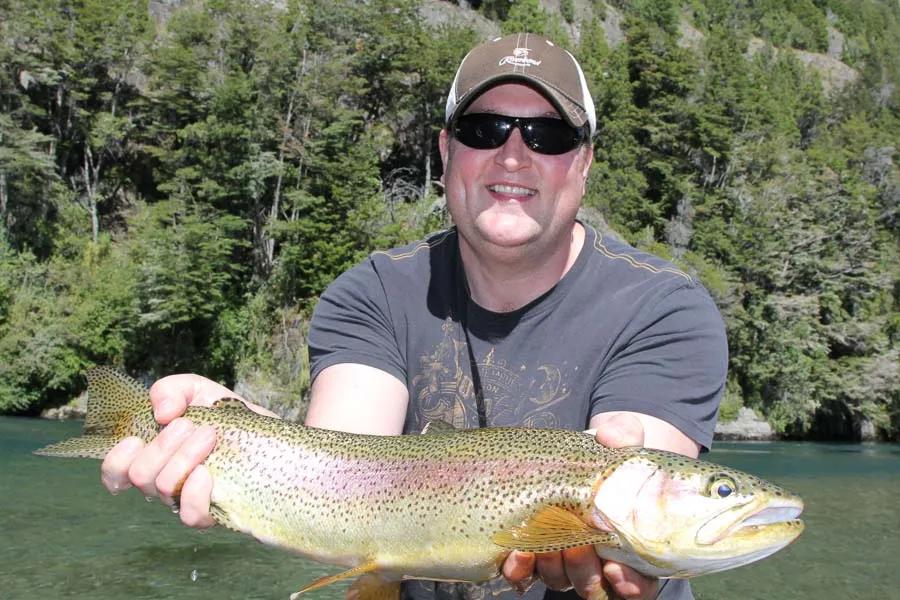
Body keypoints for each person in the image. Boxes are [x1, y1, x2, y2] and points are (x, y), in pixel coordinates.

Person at [100, 33, 727, 600]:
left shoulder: (664, 307)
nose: (513, 156)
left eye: (549, 136)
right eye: (485, 130)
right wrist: (232, 435)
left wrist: (622, 475)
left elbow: (650, 515)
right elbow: (347, 475)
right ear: (447, 150)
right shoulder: (372, 293)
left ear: (584, 163)